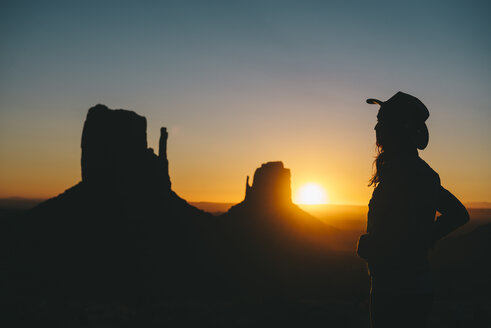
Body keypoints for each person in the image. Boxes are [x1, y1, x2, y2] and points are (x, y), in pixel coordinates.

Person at [357, 92, 469, 328]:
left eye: (382, 122)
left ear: (399, 130)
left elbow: (456, 215)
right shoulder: (411, 171)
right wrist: (422, 238)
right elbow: (457, 213)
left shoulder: (411, 173)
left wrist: (382, 245)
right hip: (407, 287)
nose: (376, 128)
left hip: (399, 292)